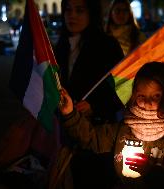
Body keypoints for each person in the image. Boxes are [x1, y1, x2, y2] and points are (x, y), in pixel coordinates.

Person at [59, 62, 164, 189]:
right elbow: (92, 138)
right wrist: (70, 113)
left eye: (156, 96)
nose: (147, 103)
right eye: (141, 96)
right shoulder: (128, 125)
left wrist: (150, 171)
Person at [53, 0, 125, 188]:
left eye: (79, 10)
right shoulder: (59, 46)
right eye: (68, 10)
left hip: (97, 135)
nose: (72, 15)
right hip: (64, 135)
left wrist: (95, 106)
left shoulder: (107, 45)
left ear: (91, 13)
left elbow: (122, 90)